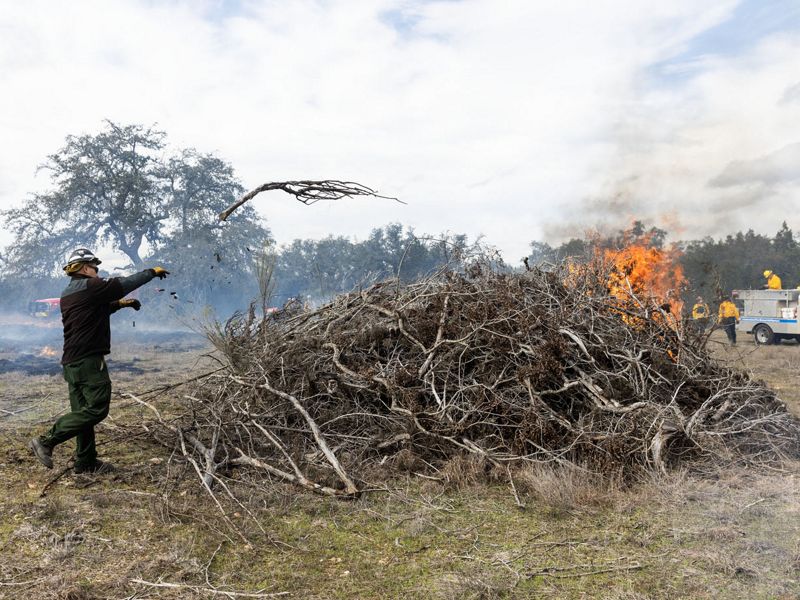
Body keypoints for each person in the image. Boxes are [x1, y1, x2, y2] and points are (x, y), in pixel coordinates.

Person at [28, 248, 169, 474]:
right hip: (89, 362)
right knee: (96, 410)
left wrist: (120, 305)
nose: (97, 271)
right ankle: (46, 441)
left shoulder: (69, 293)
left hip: (71, 362)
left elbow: (92, 312)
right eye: (95, 267)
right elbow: (122, 284)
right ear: (85, 268)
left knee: (82, 414)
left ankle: (86, 462)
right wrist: (150, 272)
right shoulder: (91, 286)